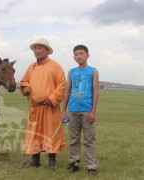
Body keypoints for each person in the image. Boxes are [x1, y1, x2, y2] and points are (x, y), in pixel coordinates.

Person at [20, 38, 66, 170]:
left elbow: (62, 85)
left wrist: (52, 99)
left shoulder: (55, 66)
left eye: (40, 48)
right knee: (35, 134)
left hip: (49, 107)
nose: (37, 51)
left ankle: (52, 161)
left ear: (47, 51)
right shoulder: (31, 67)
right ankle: (35, 160)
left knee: (50, 133)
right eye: (35, 48)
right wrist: (26, 87)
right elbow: (24, 81)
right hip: (35, 107)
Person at [62, 45, 99, 175]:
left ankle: (91, 165)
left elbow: (95, 92)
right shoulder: (71, 72)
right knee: (73, 139)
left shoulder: (93, 71)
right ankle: (74, 163)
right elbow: (67, 92)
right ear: (74, 57)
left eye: (81, 53)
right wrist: (64, 111)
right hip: (72, 111)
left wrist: (93, 111)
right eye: (76, 54)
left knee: (89, 139)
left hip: (87, 111)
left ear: (87, 55)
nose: (79, 56)